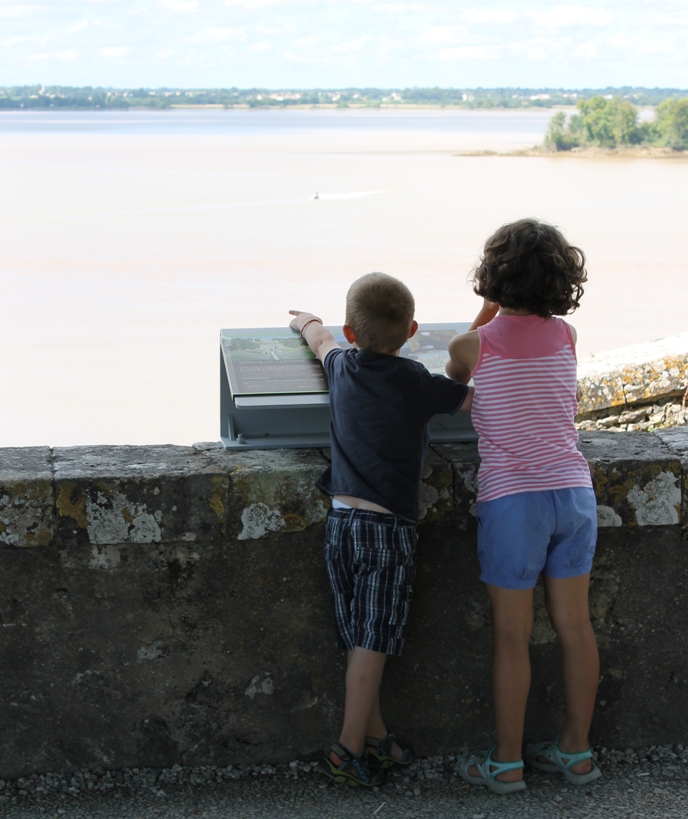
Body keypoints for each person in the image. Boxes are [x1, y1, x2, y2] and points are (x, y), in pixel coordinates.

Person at [289, 272, 472, 788]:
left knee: (358, 636)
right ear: (411, 329)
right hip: (387, 530)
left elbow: (317, 338)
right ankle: (348, 748)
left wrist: (304, 320)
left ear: (352, 331)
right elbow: (469, 397)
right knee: (373, 637)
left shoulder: (342, 364)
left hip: (341, 522)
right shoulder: (416, 380)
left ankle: (378, 738)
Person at [445, 218, 601, 794]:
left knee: (513, 637)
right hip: (574, 495)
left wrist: (485, 313)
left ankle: (507, 763)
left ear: (492, 279)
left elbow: (452, 376)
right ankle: (576, 752)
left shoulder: (474, 344)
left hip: (514, 501)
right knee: (576, 626)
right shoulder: (567, 338)